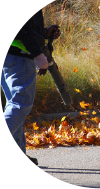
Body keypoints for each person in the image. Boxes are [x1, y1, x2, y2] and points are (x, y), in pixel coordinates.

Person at [0, 9, 61, 166]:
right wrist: (38, 55)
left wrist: (44, 34)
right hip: (19, 56)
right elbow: (23, 30)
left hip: (10, 56)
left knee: (13, 106)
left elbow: (28, 28)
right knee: (19, 105)